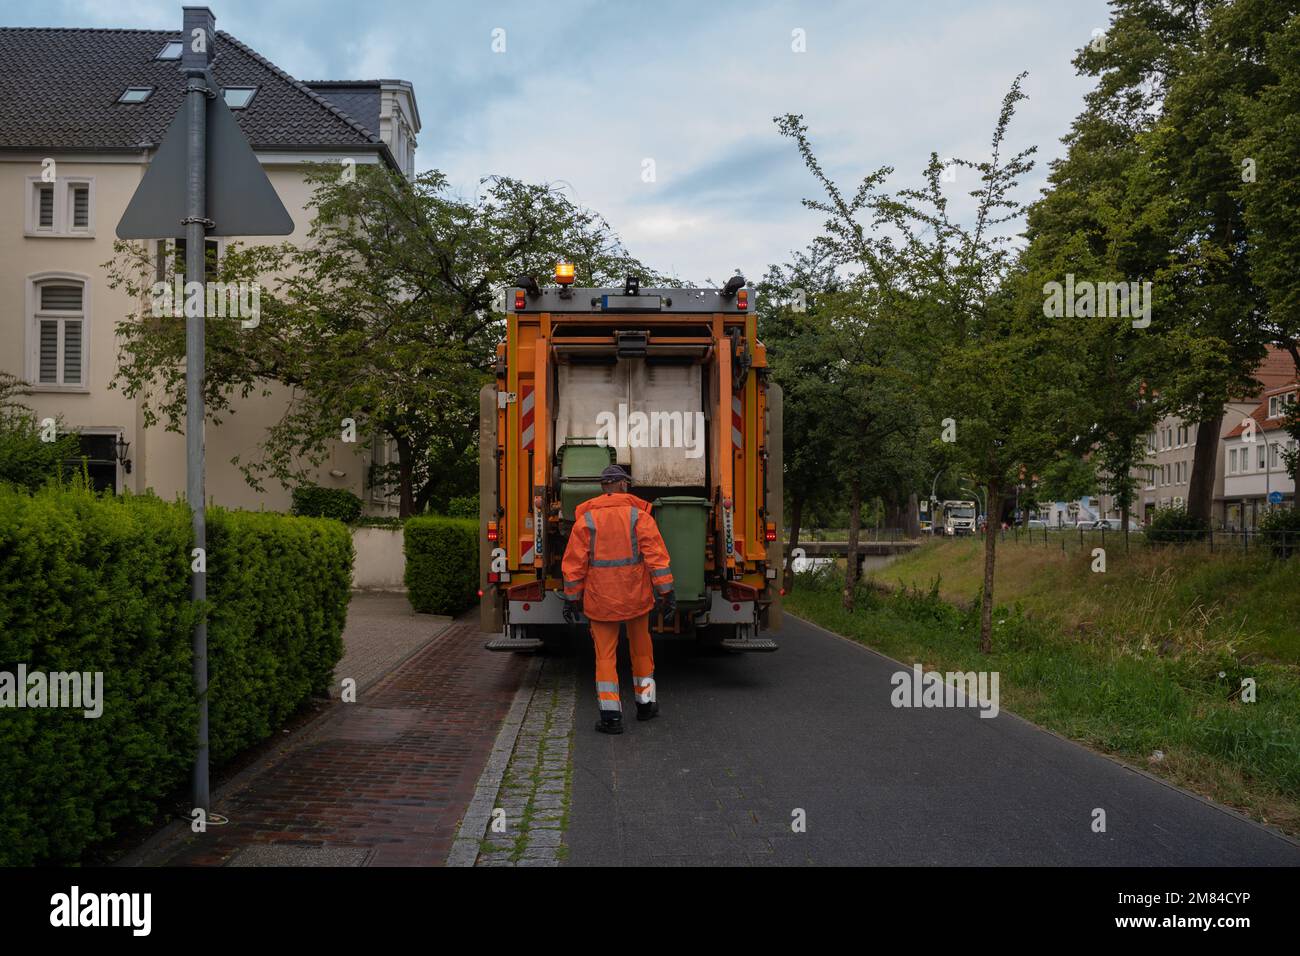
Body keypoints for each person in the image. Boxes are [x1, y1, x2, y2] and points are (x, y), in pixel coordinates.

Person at [561, 464, 675, 735]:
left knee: (605, 657)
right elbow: (656, 559)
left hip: (601, 601)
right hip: (636, 598)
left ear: (603, 487)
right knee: (642, 651)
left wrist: (571, 598)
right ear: (624, 485)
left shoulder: (585, 521)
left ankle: (611, 717)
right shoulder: (640, 517)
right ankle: (645, 705)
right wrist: (667, 592)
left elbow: (574, 564)